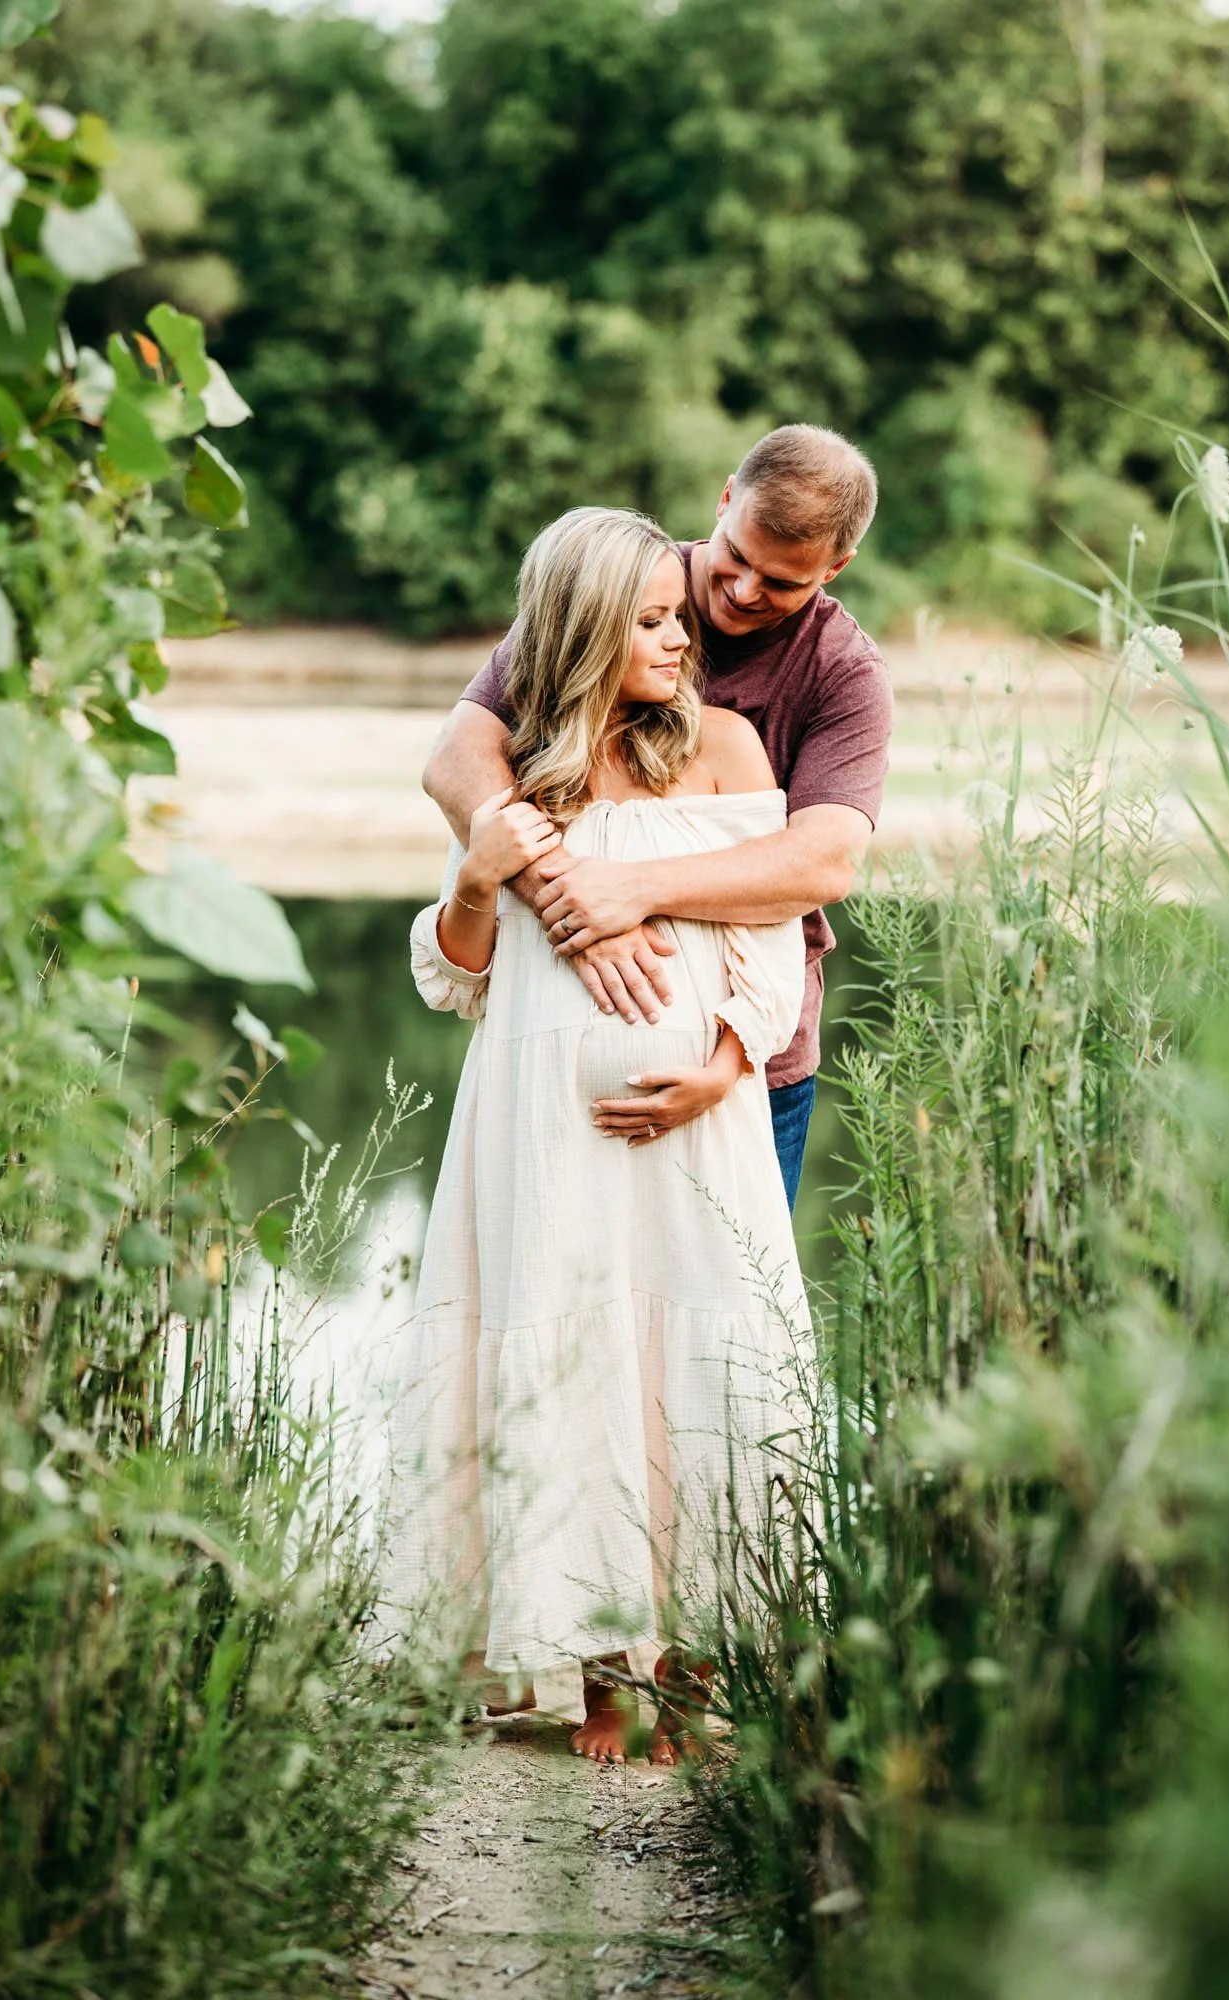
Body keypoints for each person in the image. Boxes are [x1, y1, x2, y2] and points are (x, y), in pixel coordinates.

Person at [377, 506, 812, 1764]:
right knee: (572, 1366)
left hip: (691, 1124)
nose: (681, 639)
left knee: (696, 1360)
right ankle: (591, 1667)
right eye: (652, 621)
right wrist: (476, 869)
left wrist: (720, 1070)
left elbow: (767, 937)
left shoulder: (724, 752)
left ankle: (685, 1663)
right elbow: (457, 975)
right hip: (535, 1131)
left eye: (676, 617)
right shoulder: (518, 777)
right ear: (577, 630)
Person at [423, 425, 895, 1209]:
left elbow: (822, 863)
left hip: (748, 1069)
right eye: (735, 556)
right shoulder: (619, 587)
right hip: (544, 1065)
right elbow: (456, 761)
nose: (742, 592)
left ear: (836, 567)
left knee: (734, 1314)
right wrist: (570, 897)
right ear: (723, 500)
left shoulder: (840, 672)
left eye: (781, 583)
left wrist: (634, 892)